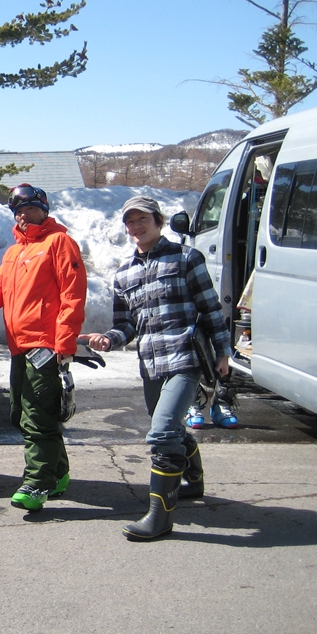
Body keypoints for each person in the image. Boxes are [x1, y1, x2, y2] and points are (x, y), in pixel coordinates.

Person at [84, 195, 231, 540]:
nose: (136, 227)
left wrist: (223, 352)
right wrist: (108, 339)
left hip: (185, 358)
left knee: (163, 431)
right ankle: (194, 480)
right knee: (170, 427)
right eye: (130, 222)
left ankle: (159, 518)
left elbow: (210, 308)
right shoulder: (124, 273)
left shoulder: (186, 258)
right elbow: (127, 325)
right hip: (151, 364)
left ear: (158, 221)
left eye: (142, 220)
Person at [0, 184, 87, 511]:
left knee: (37, 416)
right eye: (18, 211)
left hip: (45, 348)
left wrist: (64, 343)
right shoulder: (14, 253)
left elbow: (73, 296)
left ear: (44, 210)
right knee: (23, 414)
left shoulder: (59, 243)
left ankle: (38, 483)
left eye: (30, 209)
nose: (23, 216)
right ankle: (58, 473)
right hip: (19, 348)